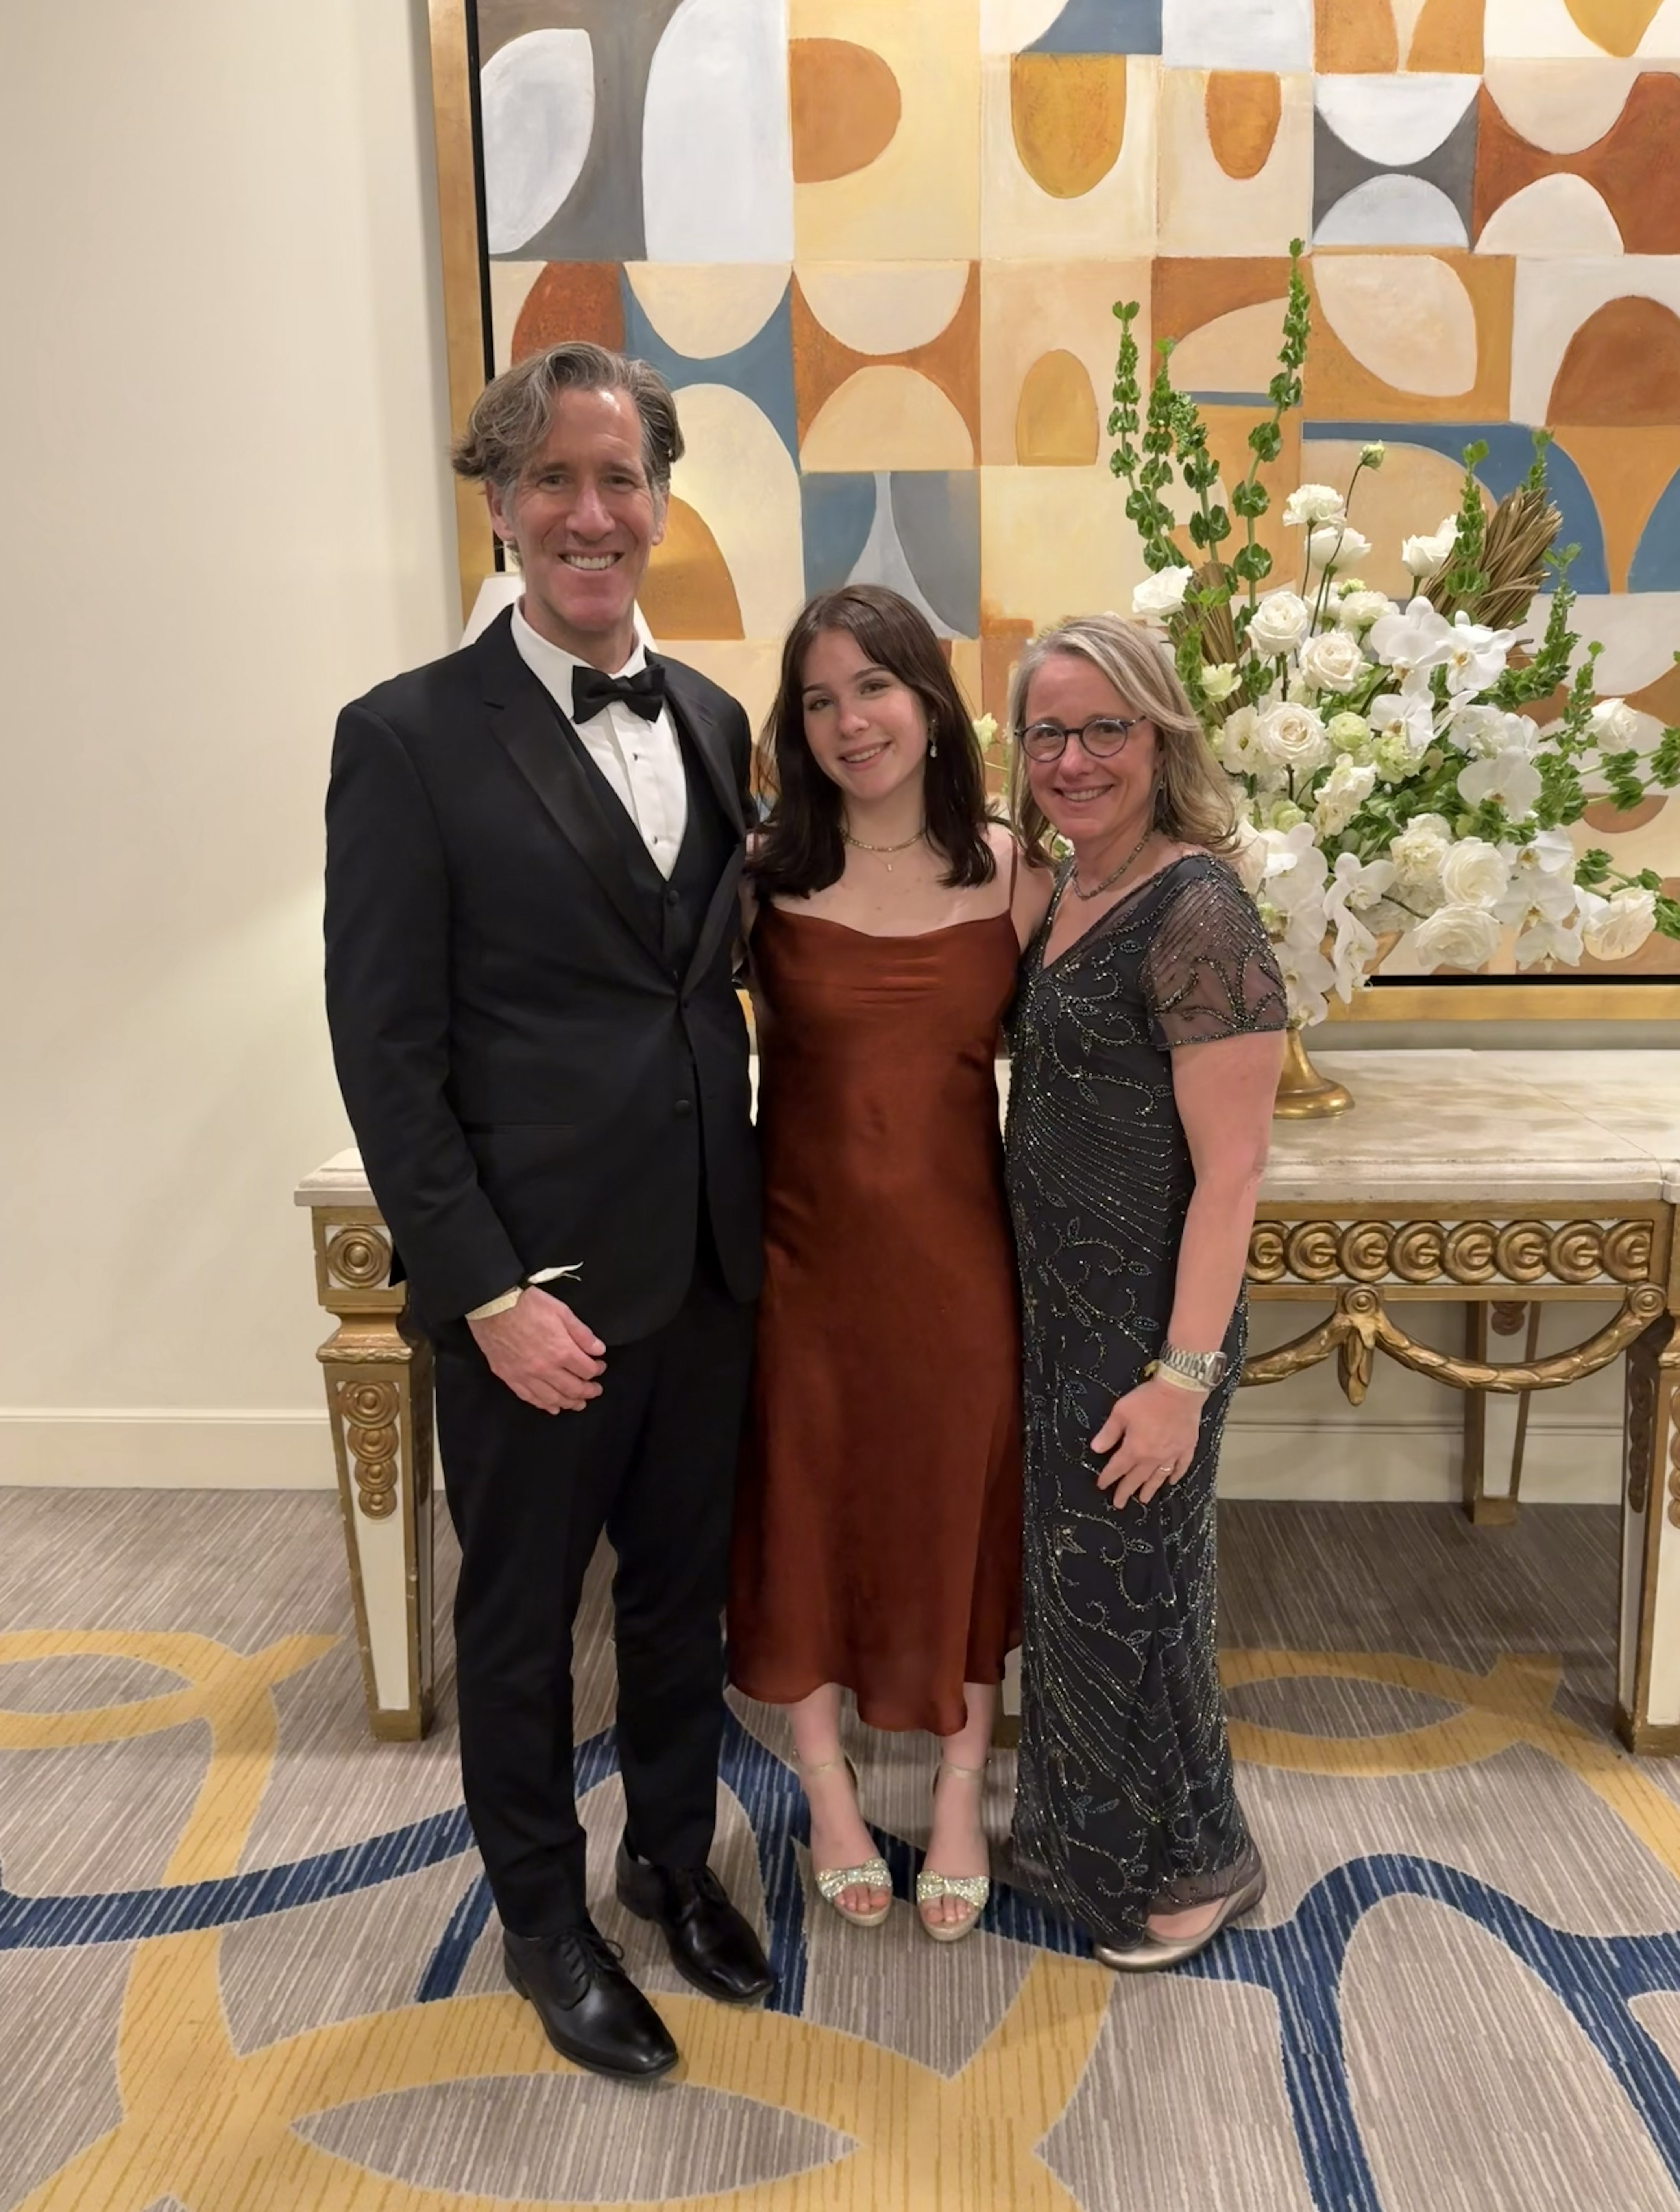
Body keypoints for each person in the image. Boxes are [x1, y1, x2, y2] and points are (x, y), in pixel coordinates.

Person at [323, 342, 773, 2083]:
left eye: (622, 479)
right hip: (539, 1288)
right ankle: (544, 1919)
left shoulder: (722, 720)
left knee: (682, 1606)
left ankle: (673, 1858)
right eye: (555, 481)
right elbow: (387, 1054)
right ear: (501, 505)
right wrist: (489, 1289)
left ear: (658, 499)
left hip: (712, 1272)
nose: (593, 513)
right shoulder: (407, 738)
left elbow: (709, 995)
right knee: (519, 1626)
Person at [728, 585, 1052, 1942]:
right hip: (794, 1265)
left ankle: (965, 1793)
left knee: (954, 1517)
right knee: (798, 1514)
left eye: (873, 687)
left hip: (958, 1267)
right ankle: (829, 1791)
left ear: (928, 703)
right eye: (817, 698)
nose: (848, 720)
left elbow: (1085, 1085)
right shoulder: (760, 879)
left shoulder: (1017, 873)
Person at [1003, 613, 1286, 1970]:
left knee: (1141, 1585)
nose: (1073, 758)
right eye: (1046, 731)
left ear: (1160, 735)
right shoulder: (1061, 890)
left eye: (1103, 728)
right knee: (1078, 1584)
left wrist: (1181, 1381)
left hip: (1147, 1327)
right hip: (1050, 1311)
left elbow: (1231, 1175)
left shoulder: (1198, 906)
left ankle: (1194, 1860)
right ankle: (1087, 1838)